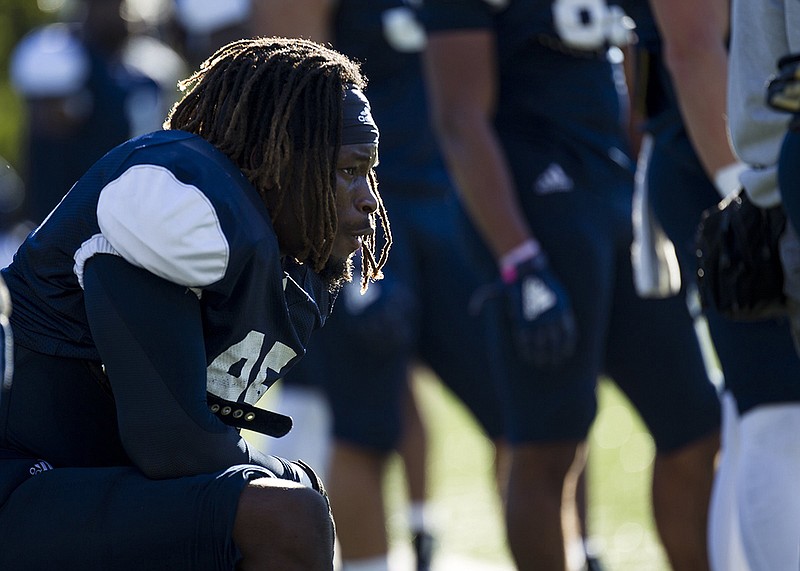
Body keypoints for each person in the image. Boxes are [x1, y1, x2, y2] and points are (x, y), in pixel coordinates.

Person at [0, 36, 391, 570]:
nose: (369, 197)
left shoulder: (275, 257)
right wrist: (268, 473)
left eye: (369, 172)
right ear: (280, 161)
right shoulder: (175, 202)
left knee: (274, 502)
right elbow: (174, 448)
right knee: (284, 516)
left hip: (65, 476)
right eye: (349, 170)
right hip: (19, 477)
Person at [420, 2, 722, 570]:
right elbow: (460, 117)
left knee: (696, 427)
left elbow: (636, 75)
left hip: (618, 203)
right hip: (539, 216)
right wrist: (519, 259)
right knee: (547, 444)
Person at [251, 3, 507, 570]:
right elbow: (293, 92)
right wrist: (323, 230)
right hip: (358, 211)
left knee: (522, 413)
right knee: (365, 425)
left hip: (452, 204)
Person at [9, 0, 168, 225]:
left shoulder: (145, 76)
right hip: (65, 219)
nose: (111, 15)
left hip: (125, 211)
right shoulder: (60, 54)